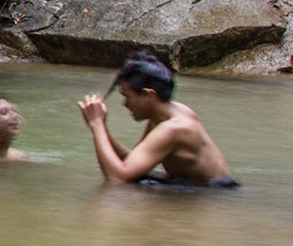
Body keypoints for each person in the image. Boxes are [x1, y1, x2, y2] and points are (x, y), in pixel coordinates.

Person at [77, 51, 237, 187]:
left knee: (130, 189)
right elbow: (131, 161)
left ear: (148, 95)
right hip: (194, 187)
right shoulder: (163, 116)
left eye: (127, 97)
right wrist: (100, 127)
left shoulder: (174, 129)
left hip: (211, 195)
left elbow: (117, 178)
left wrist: (97, 125)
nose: (124, 104)